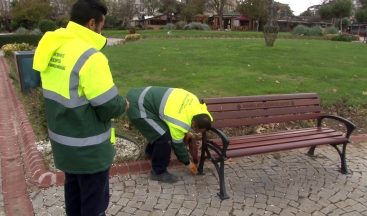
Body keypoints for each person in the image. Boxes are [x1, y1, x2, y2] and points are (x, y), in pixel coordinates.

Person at [33, 0, 128, 215]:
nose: (103, 29)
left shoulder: (53, 45)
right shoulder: (91, 57)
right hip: (89, 149)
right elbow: (108, 105)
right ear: (92, 24)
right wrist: (123, 104)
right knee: (94, 205)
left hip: (63, 144)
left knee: (73, 195)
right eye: (102, 25)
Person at [126, 86, 213, 183]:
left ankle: (150, 152)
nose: (198, 133)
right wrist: (188, 163)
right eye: (197, 130)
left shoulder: (197, 104)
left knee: (160, 130)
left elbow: (180, 114)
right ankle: (158, 172)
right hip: (137, 106)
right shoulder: (179, 123)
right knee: (164, 138)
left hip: (140, 93)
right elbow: (178, 145)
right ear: (193, 124)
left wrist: (187, 132)